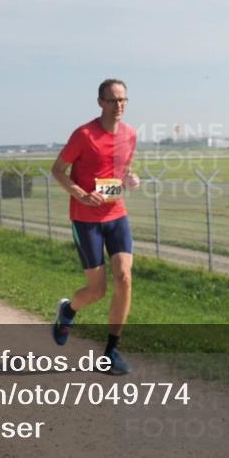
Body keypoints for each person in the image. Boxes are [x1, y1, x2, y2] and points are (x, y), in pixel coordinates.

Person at [50, 79, 140, 375]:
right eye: (112, 100)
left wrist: (131, 179)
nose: (119, 105)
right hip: (86, 220)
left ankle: (111, 351)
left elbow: (123, 171)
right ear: (100, 102)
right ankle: (68, 310)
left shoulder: (130, 135)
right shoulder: (84, 135)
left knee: (124, 277)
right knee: (97, 290)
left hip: (116, 215)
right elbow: (58, 170)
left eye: (123, 100)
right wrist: (82, 195)